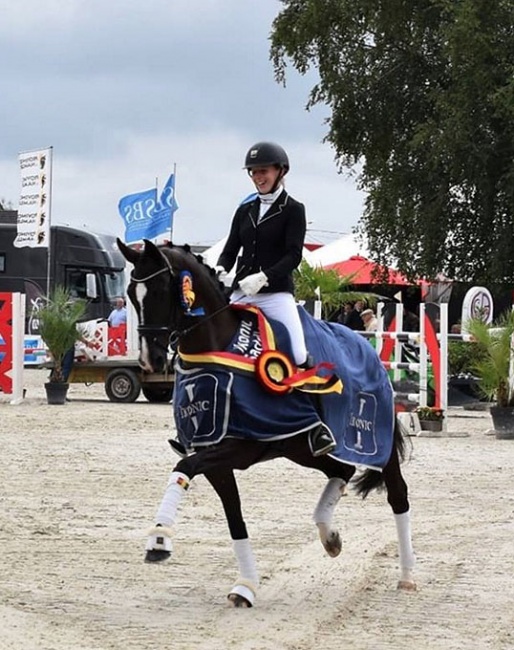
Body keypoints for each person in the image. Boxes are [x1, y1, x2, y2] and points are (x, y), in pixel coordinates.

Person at [216, 141, 334, 456]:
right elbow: (230, 249)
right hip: (241, 292)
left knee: (296, 351)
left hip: (275, 294)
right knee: (217, 346)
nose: (258, 176)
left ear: (280, 171)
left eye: (263, 171)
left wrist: (265, 276)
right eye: (253, 172)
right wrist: (220, 269)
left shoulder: (294, 209)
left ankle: (317, 427)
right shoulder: (245, 209)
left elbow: (294, 254)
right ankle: (210, 421)